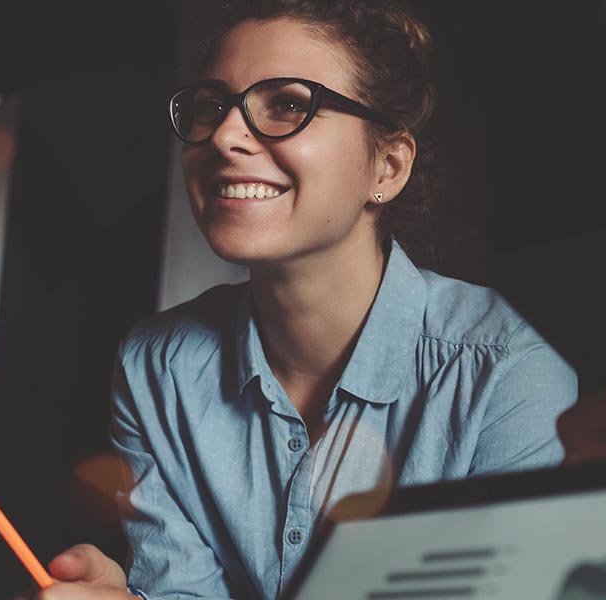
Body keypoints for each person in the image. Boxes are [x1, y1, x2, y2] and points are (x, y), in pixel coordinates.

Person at [36, 1, 577, 598]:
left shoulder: (504, 377)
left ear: (389, 166)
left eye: (289, 104)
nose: (223, 135)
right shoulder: (157, 366)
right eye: (212, 106)